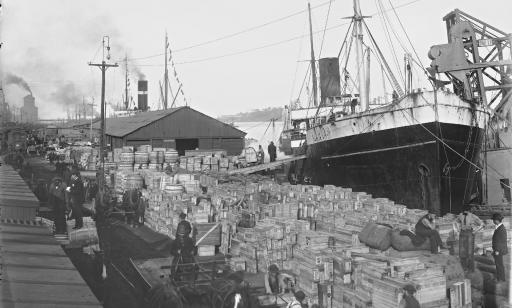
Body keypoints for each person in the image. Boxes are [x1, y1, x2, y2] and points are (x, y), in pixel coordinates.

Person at [454, 207, 484, 271]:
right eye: (463, 211)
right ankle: (463, 268)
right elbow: (455, 222)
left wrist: (475, 231)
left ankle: (471, 269)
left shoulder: (473, 216)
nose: (464, 212)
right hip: (462, 234)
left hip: (470, 233)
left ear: (469, 210)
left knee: (470, 252)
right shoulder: (460, 215)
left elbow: (482, 224)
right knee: (462, 252)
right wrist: (457, 230)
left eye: (466, 211)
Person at [492, 213, 508, 281]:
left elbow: (502, 241)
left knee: (499, 264)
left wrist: (497, 250)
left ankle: (501, 279)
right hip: (497, 249)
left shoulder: (501, 228)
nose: (493, 221)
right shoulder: (498, 227)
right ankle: (500, 278)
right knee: (498, 264)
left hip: (499, 250)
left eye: (493, 220)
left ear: (497, 220)